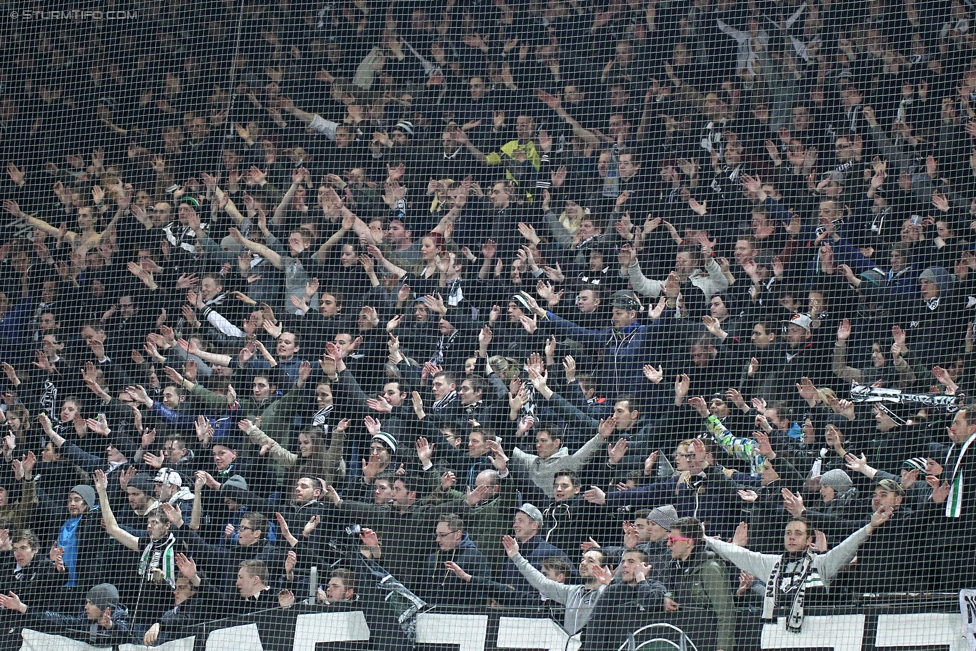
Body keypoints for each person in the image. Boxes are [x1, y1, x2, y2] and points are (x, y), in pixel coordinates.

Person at [705, 510, 895, 635]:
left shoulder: (822, 564)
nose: (792, 537)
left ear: (808, 540)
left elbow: (847, 548)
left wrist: (869, 527)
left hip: (817, 636)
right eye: (788, 533)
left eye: (798, 533)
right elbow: (738, 554)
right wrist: (705, 538)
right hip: (776, 637)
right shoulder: (773, 564)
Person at [501, 535, 610, 635]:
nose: (583, 563)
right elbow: (542, 582)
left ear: (604, 568)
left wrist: (610, 582)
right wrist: (516, 556)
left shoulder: (608, 593)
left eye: (590, 561)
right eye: (582, 559)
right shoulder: (571, 592)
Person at [659, 517, 736, 651]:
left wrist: (723, 648)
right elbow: (672, 589)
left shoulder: (709, 568)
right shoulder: (675, 566)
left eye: (673, 540)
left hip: (708, 640)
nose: (668, 544)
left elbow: (726, 612)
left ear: (689, 542)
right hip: (684, 639)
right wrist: (668, 597)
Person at [0, 583, 129, 646]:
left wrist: (110, 626)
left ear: (103, 607)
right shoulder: (85, 619)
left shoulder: (121, 617)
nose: (86, 607)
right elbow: (58, 620)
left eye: (91, 603)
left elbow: (127, 635)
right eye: (86, 602)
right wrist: (23, 608)